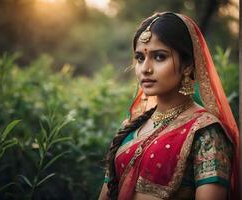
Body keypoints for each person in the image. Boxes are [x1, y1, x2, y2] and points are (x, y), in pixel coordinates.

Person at [98, 12, 239, 200]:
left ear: (188, 64)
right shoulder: (130, 128)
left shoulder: (205, 132)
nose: (145, 69)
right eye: (140, 58)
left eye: (159, 57)